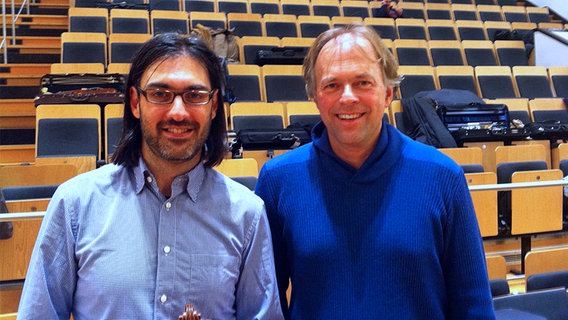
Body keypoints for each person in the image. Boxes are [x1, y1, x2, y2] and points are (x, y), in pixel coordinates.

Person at [18, 33, 283, 320]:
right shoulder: (75, 205)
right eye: (160, 94)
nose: (178, 112)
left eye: (194, 96)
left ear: (214, 105)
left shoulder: (247, 214)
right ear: (135, 101)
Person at [255, 24, 495, 319]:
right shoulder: (277, 180)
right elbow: (265, 306)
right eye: (331, 85)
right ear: (314, 96)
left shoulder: (443, 177)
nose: (348, 97)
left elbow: (474, 306)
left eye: (362, 83)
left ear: (388, 93)